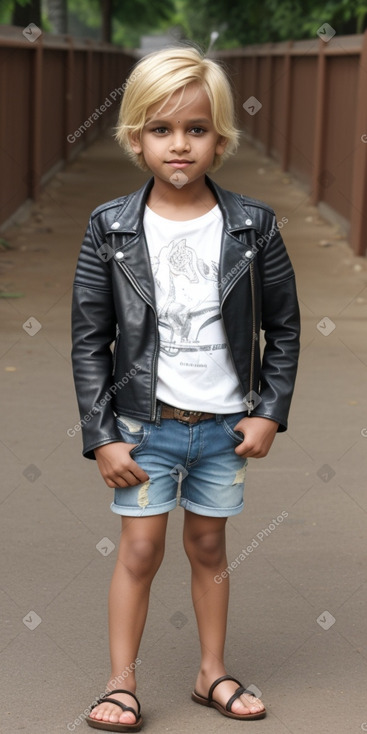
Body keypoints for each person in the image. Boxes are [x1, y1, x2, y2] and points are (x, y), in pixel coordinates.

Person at [71, 44, 300, 732]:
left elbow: (284, 328)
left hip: (224, 426)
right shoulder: (109, 227)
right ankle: (120, 683)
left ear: (220, 139)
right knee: (140, 549)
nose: (179, 145)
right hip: (146, 426)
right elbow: (88, 340)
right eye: (161, 130)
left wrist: (269, 412)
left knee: (208, 547)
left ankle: (211, 672)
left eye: (196, 129)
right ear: (134, 137)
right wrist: (102, 434)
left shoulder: (252, 227)